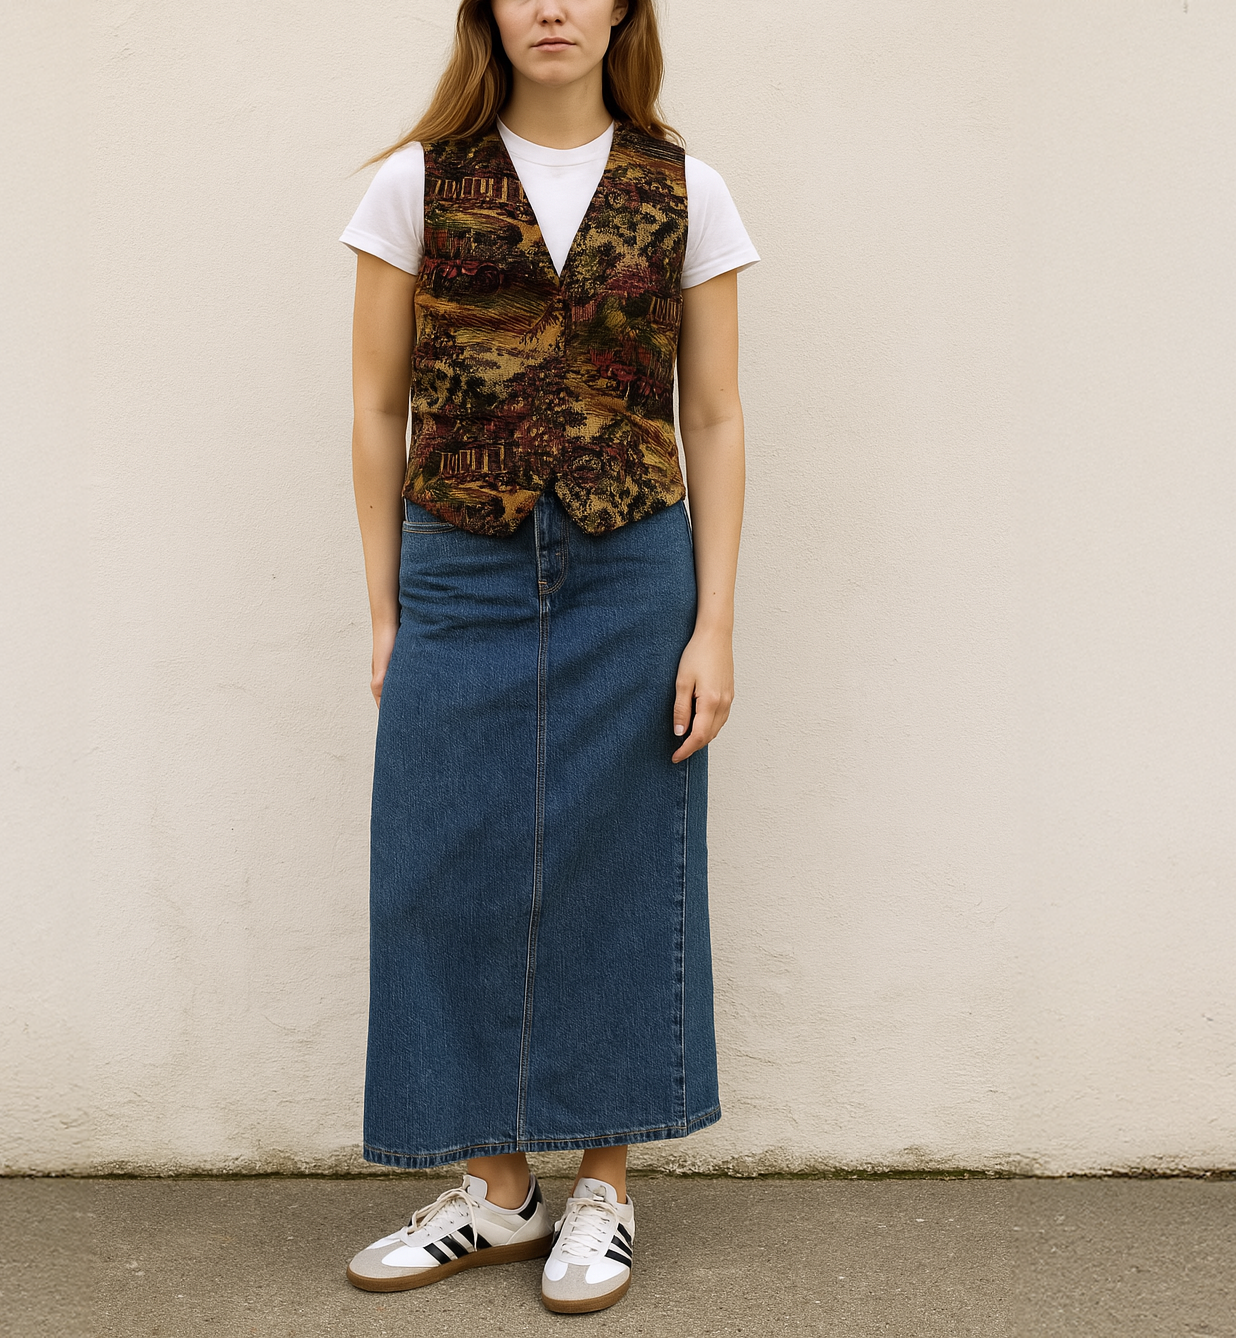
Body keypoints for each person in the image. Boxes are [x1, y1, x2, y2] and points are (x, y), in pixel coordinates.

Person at [338, 0, 755, 1314]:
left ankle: (605, 1189)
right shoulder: (414, 185)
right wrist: (385, 607)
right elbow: (371, 402)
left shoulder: (684, 186)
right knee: (439, 865)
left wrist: (714, 620)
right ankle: (496, 1189)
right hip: (457, 563)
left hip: (633, 566)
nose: (554, 6)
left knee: (616, 863)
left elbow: (718, 411)